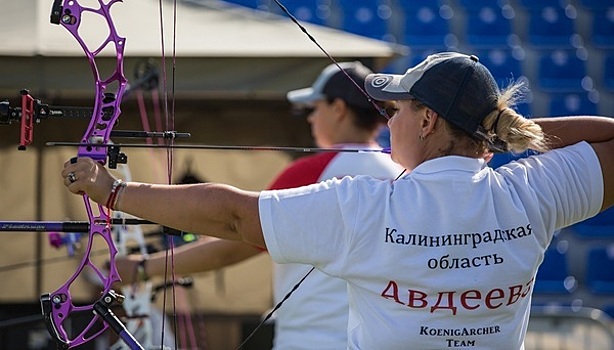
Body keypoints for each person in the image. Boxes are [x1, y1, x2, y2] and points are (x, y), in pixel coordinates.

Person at [62, 52, 613, 349]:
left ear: (426, 119)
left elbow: (234, 216)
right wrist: (493, 133)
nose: (388, 118)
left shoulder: (362, 204)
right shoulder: (531, 192)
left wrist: (113, 193)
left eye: (397, 109)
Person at [113, 61, 403, 349]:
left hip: (312, 340)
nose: (311, 118)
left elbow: (237, 241)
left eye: (315, 108)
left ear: (338, 108)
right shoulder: (403, 175)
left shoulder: (311, 173)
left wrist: (143, 267)